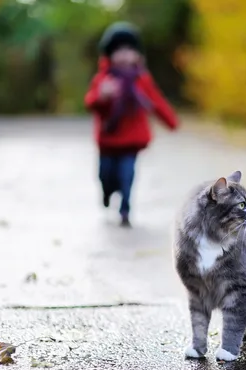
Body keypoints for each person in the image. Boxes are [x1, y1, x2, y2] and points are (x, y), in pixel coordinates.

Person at [85, 21, 179, 227]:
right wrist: (102, 96)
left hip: (131, 141)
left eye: (130, 50)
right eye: (119, 50)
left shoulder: (142, 80)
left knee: (127, 176)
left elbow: (156, 101)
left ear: (137, 54)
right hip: (109, 141)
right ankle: (107, 193)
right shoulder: (104, 79)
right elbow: (90, 102)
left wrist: (171, 121)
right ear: (109, 55)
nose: (125, 55)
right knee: (106, 175)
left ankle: (125, 209)